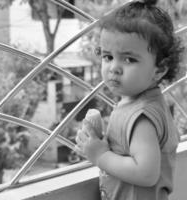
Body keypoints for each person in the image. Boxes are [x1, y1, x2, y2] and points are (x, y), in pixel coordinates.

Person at [75, 0, 184, 199]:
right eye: (108, 57)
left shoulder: (143, 117)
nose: (114, 67)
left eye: (129, 59)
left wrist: (101, 156)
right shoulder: (135, 103)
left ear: (159, 69)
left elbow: (146, 173)